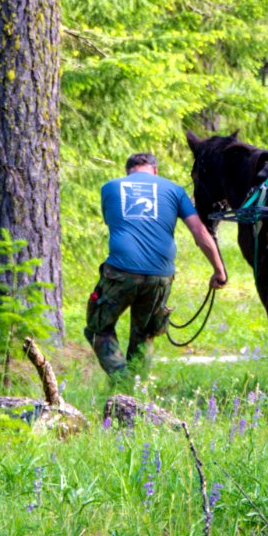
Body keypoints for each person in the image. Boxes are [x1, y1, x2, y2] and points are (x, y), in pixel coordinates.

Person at [85, 152, 227, 382]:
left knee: (97, 328)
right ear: (155, 171)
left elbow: (112, 220)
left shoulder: (110, 188)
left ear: (127, 171)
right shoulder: (175, 190)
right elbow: (200, 232)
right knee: (145, 334)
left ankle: (123, 381)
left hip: (120, 272)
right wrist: (219, 270)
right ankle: (134, 388)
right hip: (160, 276)